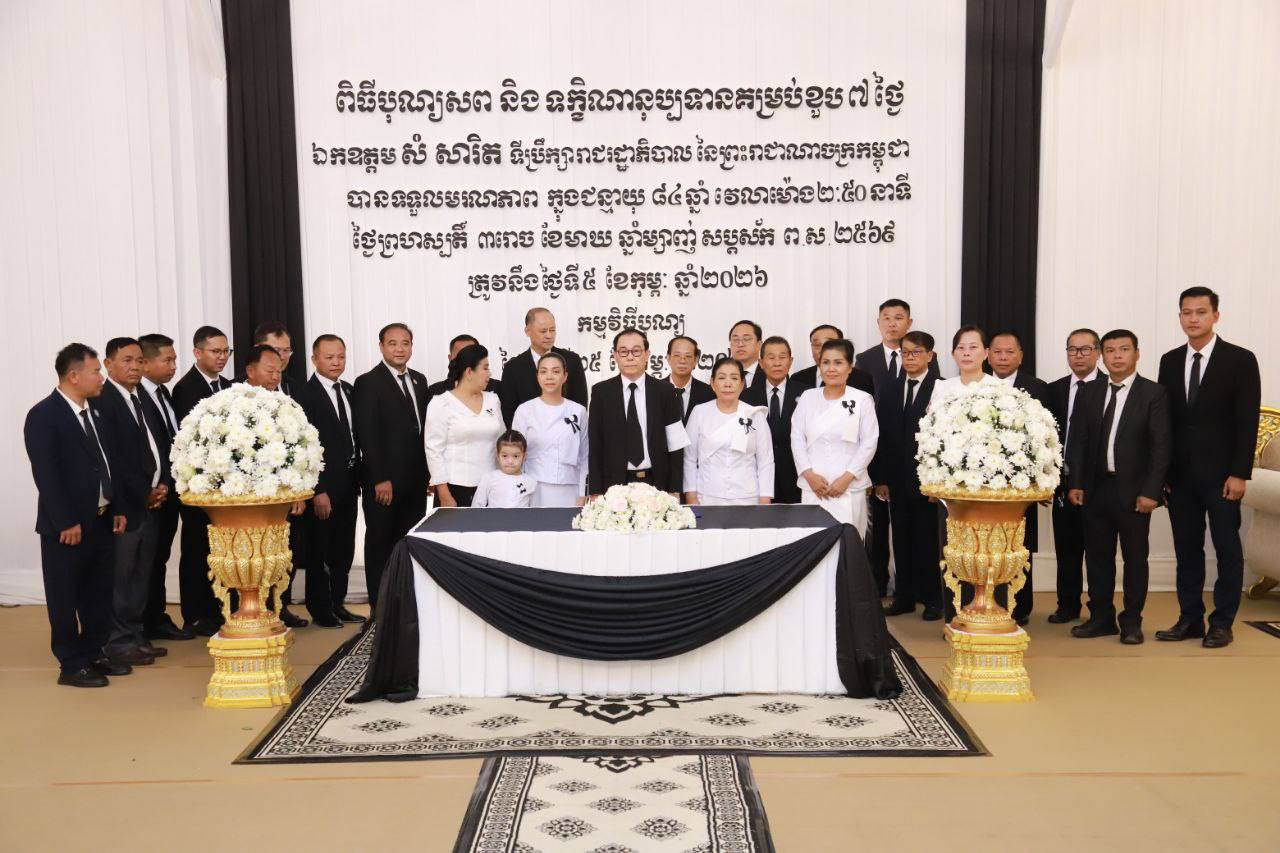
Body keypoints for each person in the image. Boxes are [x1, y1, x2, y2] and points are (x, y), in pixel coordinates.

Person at [1156, 286, 1261, 649]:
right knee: (1187, 550)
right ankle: (1190, 619)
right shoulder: (1169, 361)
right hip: (1180, 478)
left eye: (1201, 312)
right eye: (1186, 312)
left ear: (1216, 315)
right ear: (1179, 317)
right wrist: (1163, 474)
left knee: (1227, 550)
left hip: (1222, 477)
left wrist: (1239, 473)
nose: (1193, 319)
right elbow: (1166, 422)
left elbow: (1247, 421)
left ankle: (1222, 622)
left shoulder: (1240, 359)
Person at [24, 344, 131, 687]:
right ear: (73, 375)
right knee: (65, 595)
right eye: (96, 371)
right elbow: (47, 474)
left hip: (101, 518)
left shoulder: (94, 411)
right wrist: (65, 521)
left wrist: (116, 507)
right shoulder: (44, 415)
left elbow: (108, 462)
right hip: (67, 525)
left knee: (98, 592)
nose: (101, 377)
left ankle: (94, 651)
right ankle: (71, 664)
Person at [1066, 330, 1171, 644]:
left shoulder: (1153, 393)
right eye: (1110, 350)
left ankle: (1131, 623)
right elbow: (1079, 441)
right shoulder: (1090, 391)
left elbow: (1161, 447)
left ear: (1137, 353)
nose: (1117, 356)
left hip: (1135, 492)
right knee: (1097, 558)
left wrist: (1152, 491)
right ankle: (1101, 618)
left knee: (1135, 559)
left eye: (1124, 349)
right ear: (1102, 355)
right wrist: (1076, 482)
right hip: (1095, 489)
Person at [97, 338, 167, 665]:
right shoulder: (104, 400)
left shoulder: (141, 398)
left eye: (139, 360)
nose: (135, 367)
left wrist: (163, 484)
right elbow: (114, 460)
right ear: (108, 364)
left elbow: (158, 445)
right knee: (121, 578)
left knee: (141, 575)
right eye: (127, 360)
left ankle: (135, 636)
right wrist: (143, 492)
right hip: (126, 506)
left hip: (151, 503)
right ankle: (117, 641)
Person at [353, 322, 429, 607]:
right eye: (393, 343)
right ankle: (380, 607)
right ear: (381, 346)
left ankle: (405, 602)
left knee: (408, 542)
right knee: (381, 543)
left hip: (415, 481)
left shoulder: (419, 380)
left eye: (405, 343)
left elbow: (423, 432)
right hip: (384, 483)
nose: (400, 349)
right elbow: (367, 434)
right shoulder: (368, 382)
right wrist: (380, 478)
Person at [873, 331, 943, 621]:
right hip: (896, 479)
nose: (910, 358)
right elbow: (882, 435)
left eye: (916, 352)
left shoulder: (941, 388)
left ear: (930, 355)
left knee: (928, 541)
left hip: (927, 482)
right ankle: (905, 596)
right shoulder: (890, 387)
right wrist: (881, 479)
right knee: (900, 540)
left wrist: (937, 481)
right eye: (905, 352)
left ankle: (933, 599)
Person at [170, 325, 233, 636]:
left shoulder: (228, 386)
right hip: (198, 484)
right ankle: (195, 614)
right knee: (196, 548)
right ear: (197, 352)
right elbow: (189, 440)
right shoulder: (186, 388)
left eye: (226, 351)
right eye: (215, 351)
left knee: (219, 550)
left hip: (225, 486)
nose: (222, 357)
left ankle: (217, 609)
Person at [985, 330, 1049, 624]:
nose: (1003, 357)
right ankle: (988, 602)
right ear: (988, 355)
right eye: (997, 352)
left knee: (1021, 544)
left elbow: (1048, 437)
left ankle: (1020, 606)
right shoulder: (977, 386)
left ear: (1020, 356)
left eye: (1009, 352)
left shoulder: (1038, 388)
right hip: (983, 483)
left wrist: (1042, 480)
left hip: (1022, 483)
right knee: (986, 544)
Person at [300, 334, 363, 628]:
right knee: (320, 551)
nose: (336, 362)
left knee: (343, 550)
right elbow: (304, 447)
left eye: (341, 356)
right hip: (324, 488)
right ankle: (321, 609)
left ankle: (338, 603)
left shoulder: (349, 390)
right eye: (329, 357)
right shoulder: (305, 395)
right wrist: (318, 490)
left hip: (349, 484)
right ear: (314, 359)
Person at [242, 345, 308, 626]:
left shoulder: (285, 402)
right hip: (250, 498)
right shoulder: (236, 404)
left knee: (283, 552)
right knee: (252, 555)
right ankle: (249, 608)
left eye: (279, 371)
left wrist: (296, 491)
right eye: (269, 370)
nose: (275, 376)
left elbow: (297, 450)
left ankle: (279, 605)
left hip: (283, 496)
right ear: (250, 370)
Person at [1045, 328, 1107, 623]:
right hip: (1063, 480)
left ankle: (1099, 611)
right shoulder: (1054, 389)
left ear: (1098, 353)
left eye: (1085, 349)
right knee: (1066, 549)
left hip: (1098, 483)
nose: (1078, 355)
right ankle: (1067, 606)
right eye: (1072, 349)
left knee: (1097, 550)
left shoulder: (1110, 387)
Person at [791, 338, 879, 533]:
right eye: (826, 362)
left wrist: (846, 479)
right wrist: (809, 475)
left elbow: (869, 442)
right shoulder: (807, 397)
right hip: (814, 487)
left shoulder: (862, 399)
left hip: (849, 487)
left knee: (848, 542)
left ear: (850, 367)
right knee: (813, 541)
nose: (831, 369)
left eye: (838, 363)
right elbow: (796, 438)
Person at [136, 333, 191, 641]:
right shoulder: (137, 398)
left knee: (159, 558)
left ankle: (156, 618)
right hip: (152, 494)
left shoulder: (163, 393)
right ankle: (142, 622)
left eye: (174, 359)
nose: (173, 366)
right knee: (146, 561)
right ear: (145, 363)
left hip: (170, 491)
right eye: (167, 360)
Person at [588, 328, 688, 494]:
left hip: (657, 484)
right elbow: (595, 446)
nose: (630, 357)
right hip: (614, 486)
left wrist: (674, 490)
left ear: (647, 354)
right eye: (623, 352)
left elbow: (676, 446)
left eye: (636, 351)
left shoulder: (665, 391)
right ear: (615, 356)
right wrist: (595, 492)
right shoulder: (601, 392)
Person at [683, 357, 774, 505]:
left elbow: (766, 461)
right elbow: (689, 458)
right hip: (707, 496)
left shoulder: (754, 415)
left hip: (748, 498)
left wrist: (765, 497)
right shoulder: (699, 412)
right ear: (712, 383)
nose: (728, 383)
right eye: (721, 378)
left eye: (734, 378)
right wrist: (691, 494)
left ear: (742, 384)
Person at [425, 343, 506, 508]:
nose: (489, 373)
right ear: (469, 372)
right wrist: (444, 493)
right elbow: (434, 451)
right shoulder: (441, 403)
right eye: (485, 368)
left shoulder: (493, 399)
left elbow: (502, 441)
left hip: (491, 486)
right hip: (454, 488)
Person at [511, 351, 590, 506]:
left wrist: (583, 493)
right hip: (534, 487)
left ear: (565, 376)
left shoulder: (578, 411)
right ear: (537, 376)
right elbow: (515, 453)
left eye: (555, 371)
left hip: (570, 488)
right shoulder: (525, 410)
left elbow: (585, 456)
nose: (549, 377)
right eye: (543, 371)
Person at [498, 308, 588, 425]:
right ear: (527, 331)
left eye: (552, 330)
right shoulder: (513, 368)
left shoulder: (572, 360)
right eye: (543, 331)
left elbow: (580, 404)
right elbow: (509, 412)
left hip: (566, 431)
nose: (549, 335)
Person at [743, 335, 803, 503]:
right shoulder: (746, 397)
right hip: (757, 482)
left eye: (782, 357)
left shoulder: (806, 394)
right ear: (761, 363)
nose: (777, 363)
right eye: (771, 358)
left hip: (796, 480)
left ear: (790, 361)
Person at [791, 324, 876, 395]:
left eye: (829, 344)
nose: (822, 349)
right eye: (817, 345)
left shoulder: (862, 379)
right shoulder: (798, 378)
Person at [425, 334, 503, 402]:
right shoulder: (435, 392)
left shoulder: (497, 388)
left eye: (470, 355)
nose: (466, 360)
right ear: (450, 358)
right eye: (460, 356)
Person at [473, 431, 539, 508]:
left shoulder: (531, 482)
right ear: (498, 456)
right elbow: (476, 506)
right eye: (505, 456)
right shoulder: (489, 478)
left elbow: (535, 511)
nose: (510, 461)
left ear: (524, 456)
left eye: (516, 456)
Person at [663, 335, 714, 425]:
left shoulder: (709, 393)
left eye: (688, 356)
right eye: (677, 355)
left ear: (696, 360)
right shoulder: (655, 391)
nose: (682, 361)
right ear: (668, 358)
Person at [253, 320, 299, 397]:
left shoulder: (296, 388)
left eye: (286, 350)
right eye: (276, 350)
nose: (282, 357)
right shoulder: (236, 389)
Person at [728, 320, 767, 397]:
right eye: (735, 340)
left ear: (759, 344)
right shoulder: (720, 375)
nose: (740, 344)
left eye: (746, 339)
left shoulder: (770, 375)